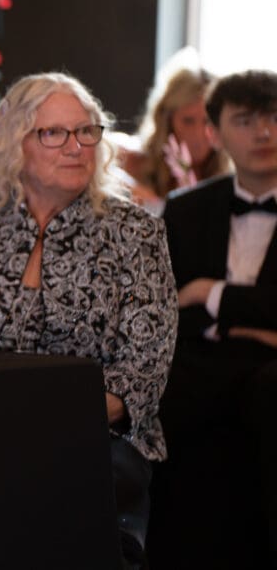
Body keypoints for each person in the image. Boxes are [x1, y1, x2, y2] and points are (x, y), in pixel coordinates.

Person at [0, 72, 177, 568]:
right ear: (15, 145)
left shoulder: (136, 232)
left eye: (86, 131)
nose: (76, 146)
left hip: (94, 446)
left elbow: (142, 373)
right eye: (54, 133)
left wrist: (39, 431)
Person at [149, 69, 277, 568]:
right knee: (162, 386)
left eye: (272, 118)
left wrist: (213, 293)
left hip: (264, 368)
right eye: (244, 120)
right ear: (215, 132)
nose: (263, 133)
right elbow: (166, 300)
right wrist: (253, 319)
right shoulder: (185, 208)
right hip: (206, 357)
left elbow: (194, 297)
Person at [114, 55, 231, 211]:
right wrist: (126, 188)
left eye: (207, 122)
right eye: (188, 121)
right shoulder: (134, 161)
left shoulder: (229, 179)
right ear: (167, 121)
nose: (199, 134)